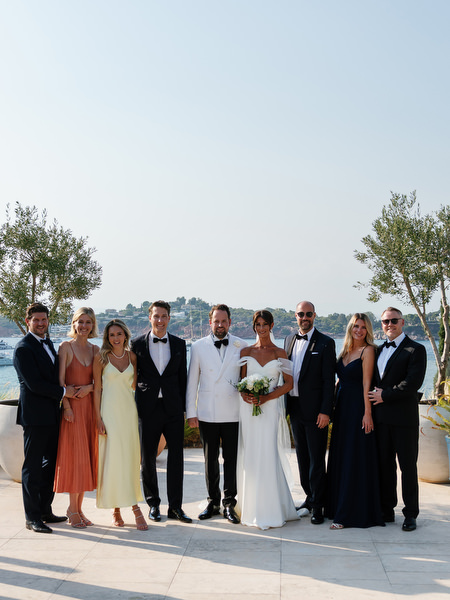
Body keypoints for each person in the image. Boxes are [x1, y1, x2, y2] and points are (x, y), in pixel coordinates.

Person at [13, 302, 76, 533]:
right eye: (36, 320)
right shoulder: (23, 348)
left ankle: (45, 510)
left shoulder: (49, 343)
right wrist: (63, 392)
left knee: (50, 465)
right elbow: (33, 384)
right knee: (32, 467)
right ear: (28, 321)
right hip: (34, 417)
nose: (40, 323)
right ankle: (31, 518)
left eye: (44, 319)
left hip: (53, 415)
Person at [236, 310, 298, 529]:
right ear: (254, 327)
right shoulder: (245, 351)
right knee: (251, 455)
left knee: (268, 453)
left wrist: (266, 398)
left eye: (265, 324)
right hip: (249, 410)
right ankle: (250, 507)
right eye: (258, 324)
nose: (261, 328)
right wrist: (245, 394)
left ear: (272, 326)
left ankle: (271, 509)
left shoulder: (280, 352)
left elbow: (289, 383)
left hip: (270, 409)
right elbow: (241, 381)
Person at [130, 301, 191, 523]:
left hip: (173, 409)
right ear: (150, 318)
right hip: (147, 409)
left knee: (177, 458)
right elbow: (132, 377)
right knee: (147, 458)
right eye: (156, 316)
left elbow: (182, 378)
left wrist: (185, 409)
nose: (160, 320)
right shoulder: (136, 344)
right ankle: (153, 504)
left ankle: (175, 507)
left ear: (169, 318)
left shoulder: (179, 344)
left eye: (164, 316)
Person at [186, 304, 247, 523]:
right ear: (209, 323)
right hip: (207, 412)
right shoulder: (198, 346)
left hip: (233, 412)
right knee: (210, 459)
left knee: (231, 459)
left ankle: (230, 503)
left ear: (229, 322)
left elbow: (246, 380)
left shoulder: (242, 345)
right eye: (216, 321)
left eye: (224, 321)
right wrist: (191, 412)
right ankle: (212, 501)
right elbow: (192, 382)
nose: (220, 325)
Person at [368, 307, 426, 532]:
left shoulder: (416, 349)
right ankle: (386, 509)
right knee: (385, 466)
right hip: (381, 419)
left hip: (404, 420)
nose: (389, 324)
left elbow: (413, 383)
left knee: (408, 468)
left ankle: (411, 514)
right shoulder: (378, 349)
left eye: (393, 320)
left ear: (402, 322)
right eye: (385, 321)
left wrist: (385, 394)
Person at [326, 313, 384, 529]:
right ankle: (335, 507)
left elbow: (366, 384)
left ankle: (347, 514)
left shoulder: (368, 351)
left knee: (353, 458)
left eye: (363, 327)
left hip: (357, 409)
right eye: (355, 326)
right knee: (340, 456)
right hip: (341, 409)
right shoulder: (345, 351)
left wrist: (367, 414)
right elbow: (340, 380)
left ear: (367, 330)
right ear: (350, 328)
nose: (359, 330)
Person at [94, 319, 147, 530]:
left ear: (125, 335)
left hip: (129, 414)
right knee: (113, 460)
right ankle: (120, 509)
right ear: (107, 338)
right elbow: (97, 390)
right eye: (111, 335)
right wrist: (98, 418)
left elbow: (136, 386)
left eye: (119, 334)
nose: (115, 338)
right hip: (108, 414)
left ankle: (133, 504)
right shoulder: (101, 359)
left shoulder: (132, 356)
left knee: (130, 460)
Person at [285, 301, 336, 524]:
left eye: (308, 314)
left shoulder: (326, 343)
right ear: (295, 316)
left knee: (317, 459)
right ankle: (309, 497)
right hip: (294, 409)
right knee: (302, 458)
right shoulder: (288, 340)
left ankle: (318, 505)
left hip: (316, 413)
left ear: (314, 315)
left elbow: (328, 381)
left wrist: (326, 411)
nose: (304, 318)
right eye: (300, 314)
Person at [53, 307, 99, 528]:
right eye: (80, 321)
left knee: (86, 459)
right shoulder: (66, 347)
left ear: (92, 325)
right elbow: (60, 382)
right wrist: (67, 408)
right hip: (72, 413)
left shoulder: (95, 350)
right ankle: (72, 509)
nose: (84, 326)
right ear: (73, 324)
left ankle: (79, 509)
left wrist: (90, 388)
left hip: (90, 410)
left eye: (88, 322)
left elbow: (99, 384)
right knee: (75, 459)